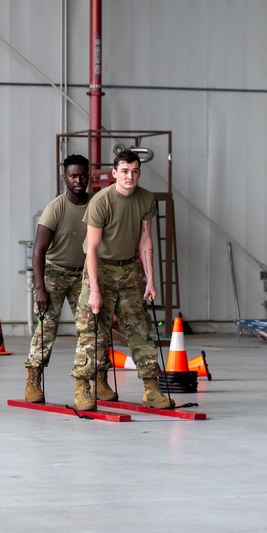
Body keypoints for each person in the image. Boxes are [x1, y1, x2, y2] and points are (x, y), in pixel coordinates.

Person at [69, 149, 174, 411]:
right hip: (100, 269)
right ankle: (84, 387)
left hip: (129, 270)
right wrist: (94, 289)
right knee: (93, 332)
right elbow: (91, 248)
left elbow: (146, 239)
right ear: (114, 173)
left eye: (135, 171)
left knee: (139, 329)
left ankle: (151, 389)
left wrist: (150, 279)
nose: (130, 176)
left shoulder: (146, 199)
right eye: (124, 171)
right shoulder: (101, 201)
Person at [24, 155, 116, 402]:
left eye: (83, 175)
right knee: (47, 327)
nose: (79, 180)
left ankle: (98, 379)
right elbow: (38, 251)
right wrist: (40, 287)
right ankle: (34, 379)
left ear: (89, 176)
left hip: (85, 274)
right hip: (54, 272)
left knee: (96, 327)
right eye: (73, 176)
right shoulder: (56, 208)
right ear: (65, 177)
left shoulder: (96, 204)